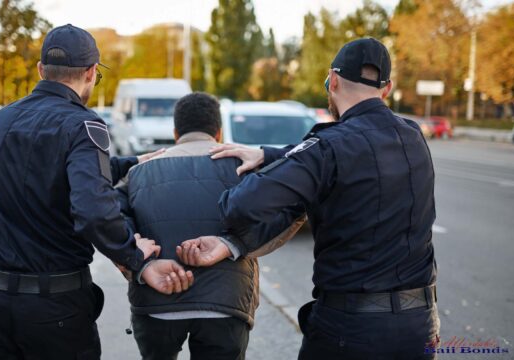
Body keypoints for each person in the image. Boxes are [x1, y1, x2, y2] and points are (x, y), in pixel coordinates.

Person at [178, 38, 440, 360]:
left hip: (352, 330)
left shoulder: (328, 146)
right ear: (386, 89)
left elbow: (240, 206)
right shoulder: (412, 134)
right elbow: (351, 155)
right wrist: (269, 154)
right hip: (420, 325)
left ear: (333, 80)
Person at [0, 24, 194, 360]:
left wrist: (129, 162)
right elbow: (93, 210)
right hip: (53, 310)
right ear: (90, 73)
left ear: (41, 70)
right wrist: (133, 254)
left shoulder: (4, 118)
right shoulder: (82, 124)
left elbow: (42, 173)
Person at [116, 92, 305, 360]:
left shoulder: (138, 173)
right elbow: (290, 211)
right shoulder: (244, 167)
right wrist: (233, 244)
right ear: (218, 132)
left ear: (175, 132)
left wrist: (140, 266)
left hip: (155, 301)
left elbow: (110, 221)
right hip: (226, 302)